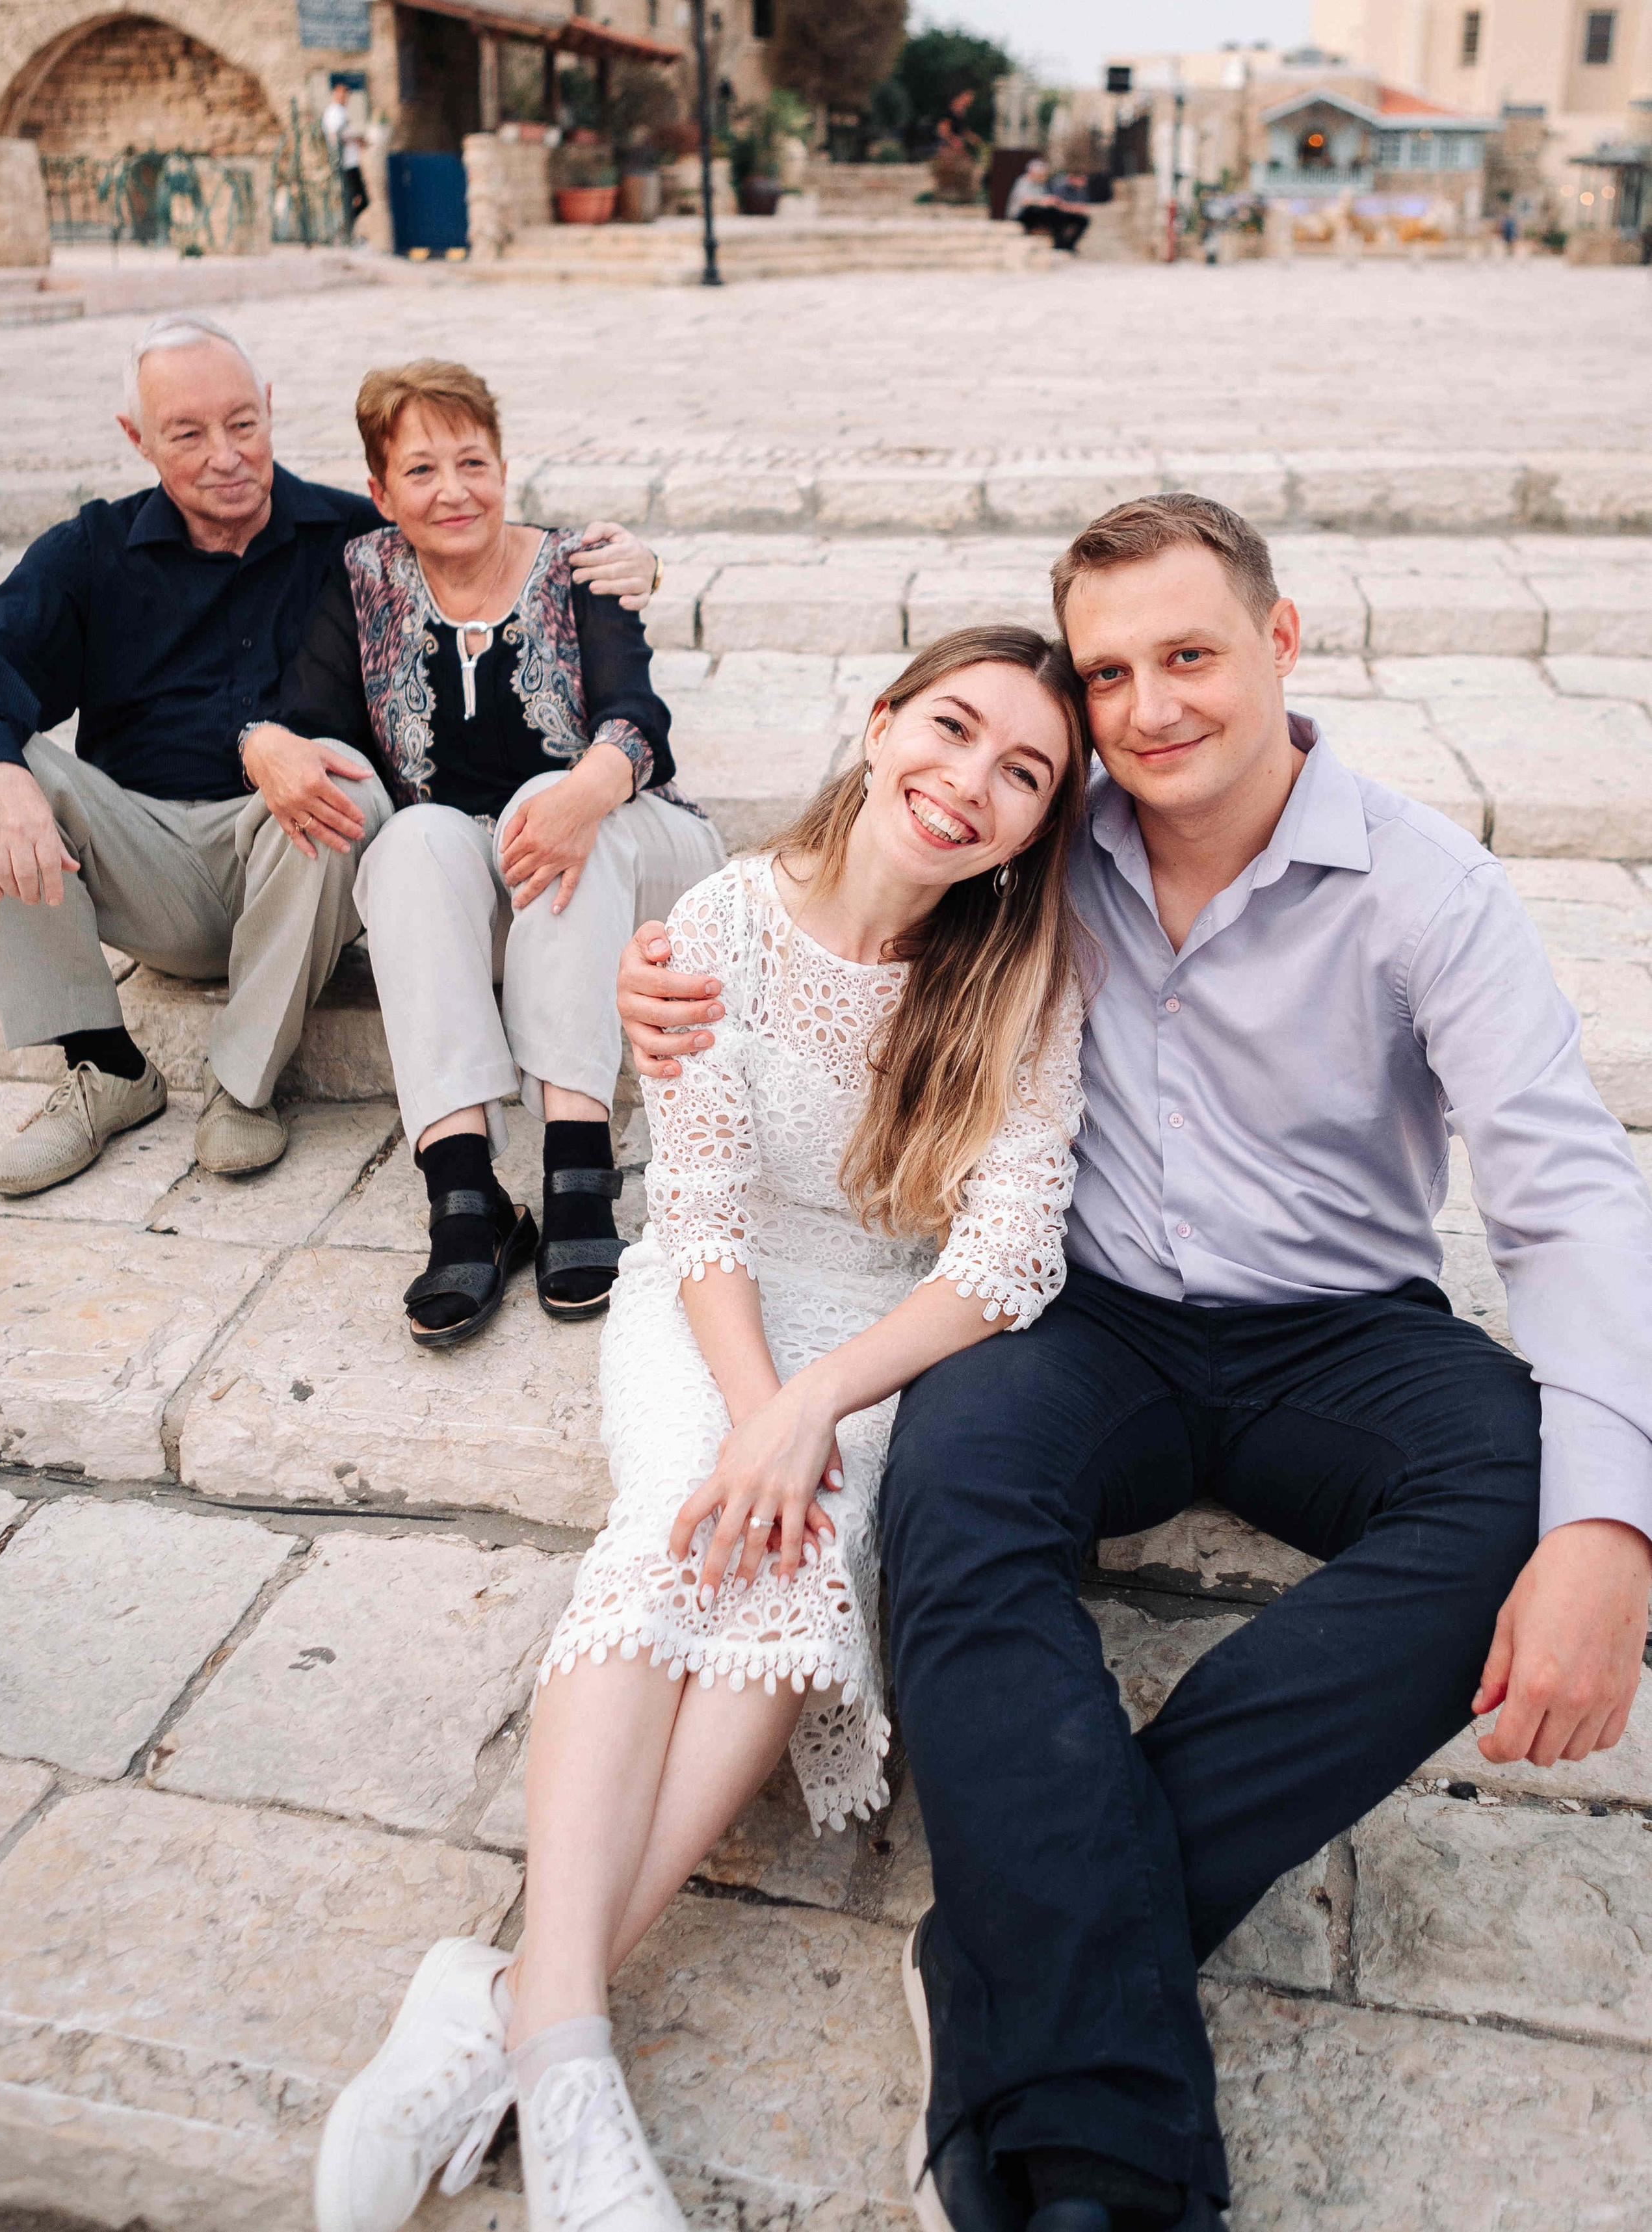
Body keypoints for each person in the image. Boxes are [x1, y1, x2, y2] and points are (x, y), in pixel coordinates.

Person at [617, 493, 1652, 2232]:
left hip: (1342, 1328)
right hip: (1081, 1317)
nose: (1153, 705)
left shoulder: (1424, 885)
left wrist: (1615, 1531)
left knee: (1525, 1498)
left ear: (1282, 642)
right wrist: (671, 991)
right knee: (948, 1496)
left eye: (1191, 655)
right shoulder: (1038, 835)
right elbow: (836, 902)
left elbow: (1564, 1200)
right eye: (1112, 673)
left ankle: (1008, 1954)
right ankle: (1108, 2158)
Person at [313, 625, 1094, 2232]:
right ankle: (574, 2053)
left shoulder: (1022, 977)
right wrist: (751, 1411)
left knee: (794, 1572)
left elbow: (1008, 1255)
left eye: (1020, 774)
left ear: (1035, 826)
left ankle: (518, 1995)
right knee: (686, 1518)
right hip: (710, 1303)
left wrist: (811, 1411)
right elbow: (711, 1204)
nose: (968, 784)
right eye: (949, 731)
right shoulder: (721, 920)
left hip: (869, 1345)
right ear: (880, 727)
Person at [252, 358, 720, 1340]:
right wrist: (272, 748)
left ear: (505, 466)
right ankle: (466, 1196)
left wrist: (582, 795)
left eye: (473, 461)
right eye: (420, 471)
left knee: (551, 801)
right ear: (380, 493)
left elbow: (638, 715)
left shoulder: (578, 562)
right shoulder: (364, 578)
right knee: (416, 837)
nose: (452, 490)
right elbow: (312, 716)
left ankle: (577, 1167)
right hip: (487, 883)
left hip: (634, 852)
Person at [0, 311, 392, 1190]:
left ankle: (242, 1088)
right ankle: (107, 1068)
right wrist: (0, 771)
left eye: (243, 423)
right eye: (188, 433)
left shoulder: (356, 539)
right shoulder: (92, 551)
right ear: (137, 439)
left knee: (346, 789)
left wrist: (629, 563)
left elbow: (492, 566)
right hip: (148, 866)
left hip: (298, 872)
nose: (226, 454)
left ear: (272, 409)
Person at [1004, 157, 1088, 254]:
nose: (1043, 176)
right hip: (1021, 215)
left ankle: (1065, 246)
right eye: (1041, 174)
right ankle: (1059, 244)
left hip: (1039, 213)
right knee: (1043, 211)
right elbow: (1025, 201)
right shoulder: (1023, 182)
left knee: (1074, 218)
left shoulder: (1041, 185)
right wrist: (1044, 201)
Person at [323, 80, 371, 237]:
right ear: (335, 93)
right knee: (357, 198)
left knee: (358, 199)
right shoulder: (334, 113)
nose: (345, 97)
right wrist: (358, 140)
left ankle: (346, 229)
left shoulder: (341, 112)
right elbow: (338, 136)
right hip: (345, 163)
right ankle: (344, 230)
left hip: (351, 161)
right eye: (342, 93)